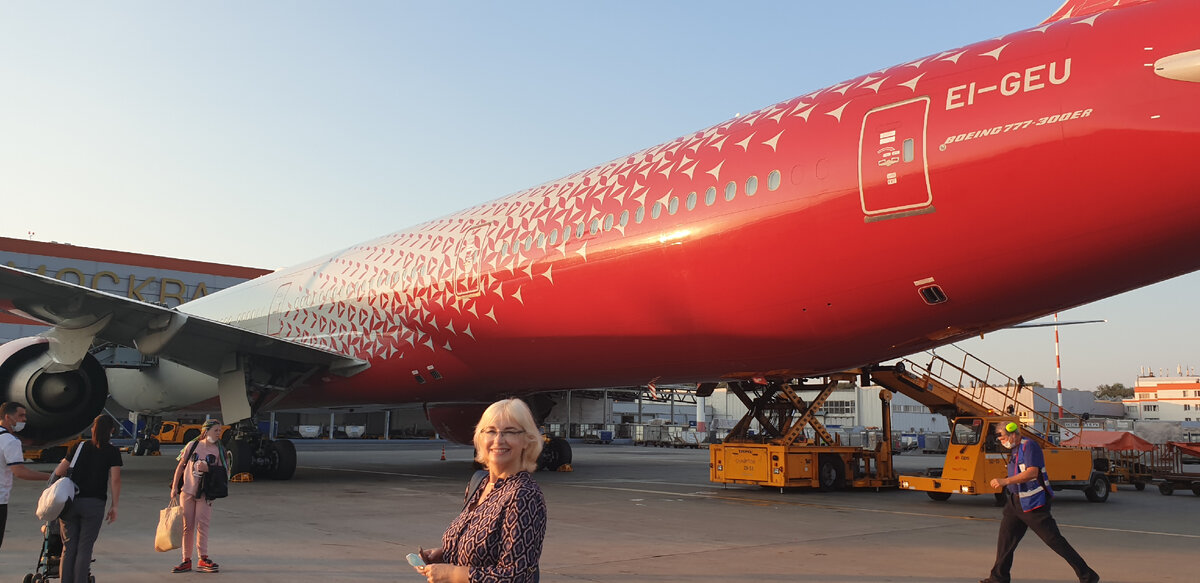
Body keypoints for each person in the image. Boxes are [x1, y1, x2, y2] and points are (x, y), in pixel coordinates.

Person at [414, 399, 547, 583]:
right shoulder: (480, 483)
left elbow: (515, 576)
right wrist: (447, 554)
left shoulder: (523, 495)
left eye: (510, 432)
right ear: (480, 437)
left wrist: (453, 574)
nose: (498, 440)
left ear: (526, 440)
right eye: (490, 431)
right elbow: (485, 546)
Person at [981, 421, 1100, 583]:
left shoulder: (1029, 446)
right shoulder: (1016, 449)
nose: (1002, 442)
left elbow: (1032, 473)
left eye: (1003, 438)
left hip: (1033, 503)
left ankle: (1088, 575)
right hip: (1015, 502)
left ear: (1013, 434)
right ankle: (998, 578)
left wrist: (1005, 481)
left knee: (1054, 540)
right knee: (1005, 541)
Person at [54, 414, 123, 583]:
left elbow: (60, 471)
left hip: (70, 502)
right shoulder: (112, 451)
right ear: (111, 431)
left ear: (93, 429)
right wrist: (114, 505)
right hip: (94, 503)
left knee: (68, 547)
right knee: (85, 548)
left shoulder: (78, 447)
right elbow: (115, 479)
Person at [170, 419, 228, 574]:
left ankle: (203, 557)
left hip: (205, 493)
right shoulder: (192, 445)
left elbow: (224, 473)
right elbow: (181, 466)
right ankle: (186, 560)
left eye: (220, 430)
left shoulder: (219, 450)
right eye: (216, 430)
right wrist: (174, 487)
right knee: (187, 526)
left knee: (203, 525)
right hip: (187, 491)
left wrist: (208, 468)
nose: (218, 433)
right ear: (206, 431)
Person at [1, 402, 52, 550]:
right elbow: (20, 472)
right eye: (21, 416)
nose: (24, 419)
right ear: (8, 417)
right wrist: (51, 477)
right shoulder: (10, 441)